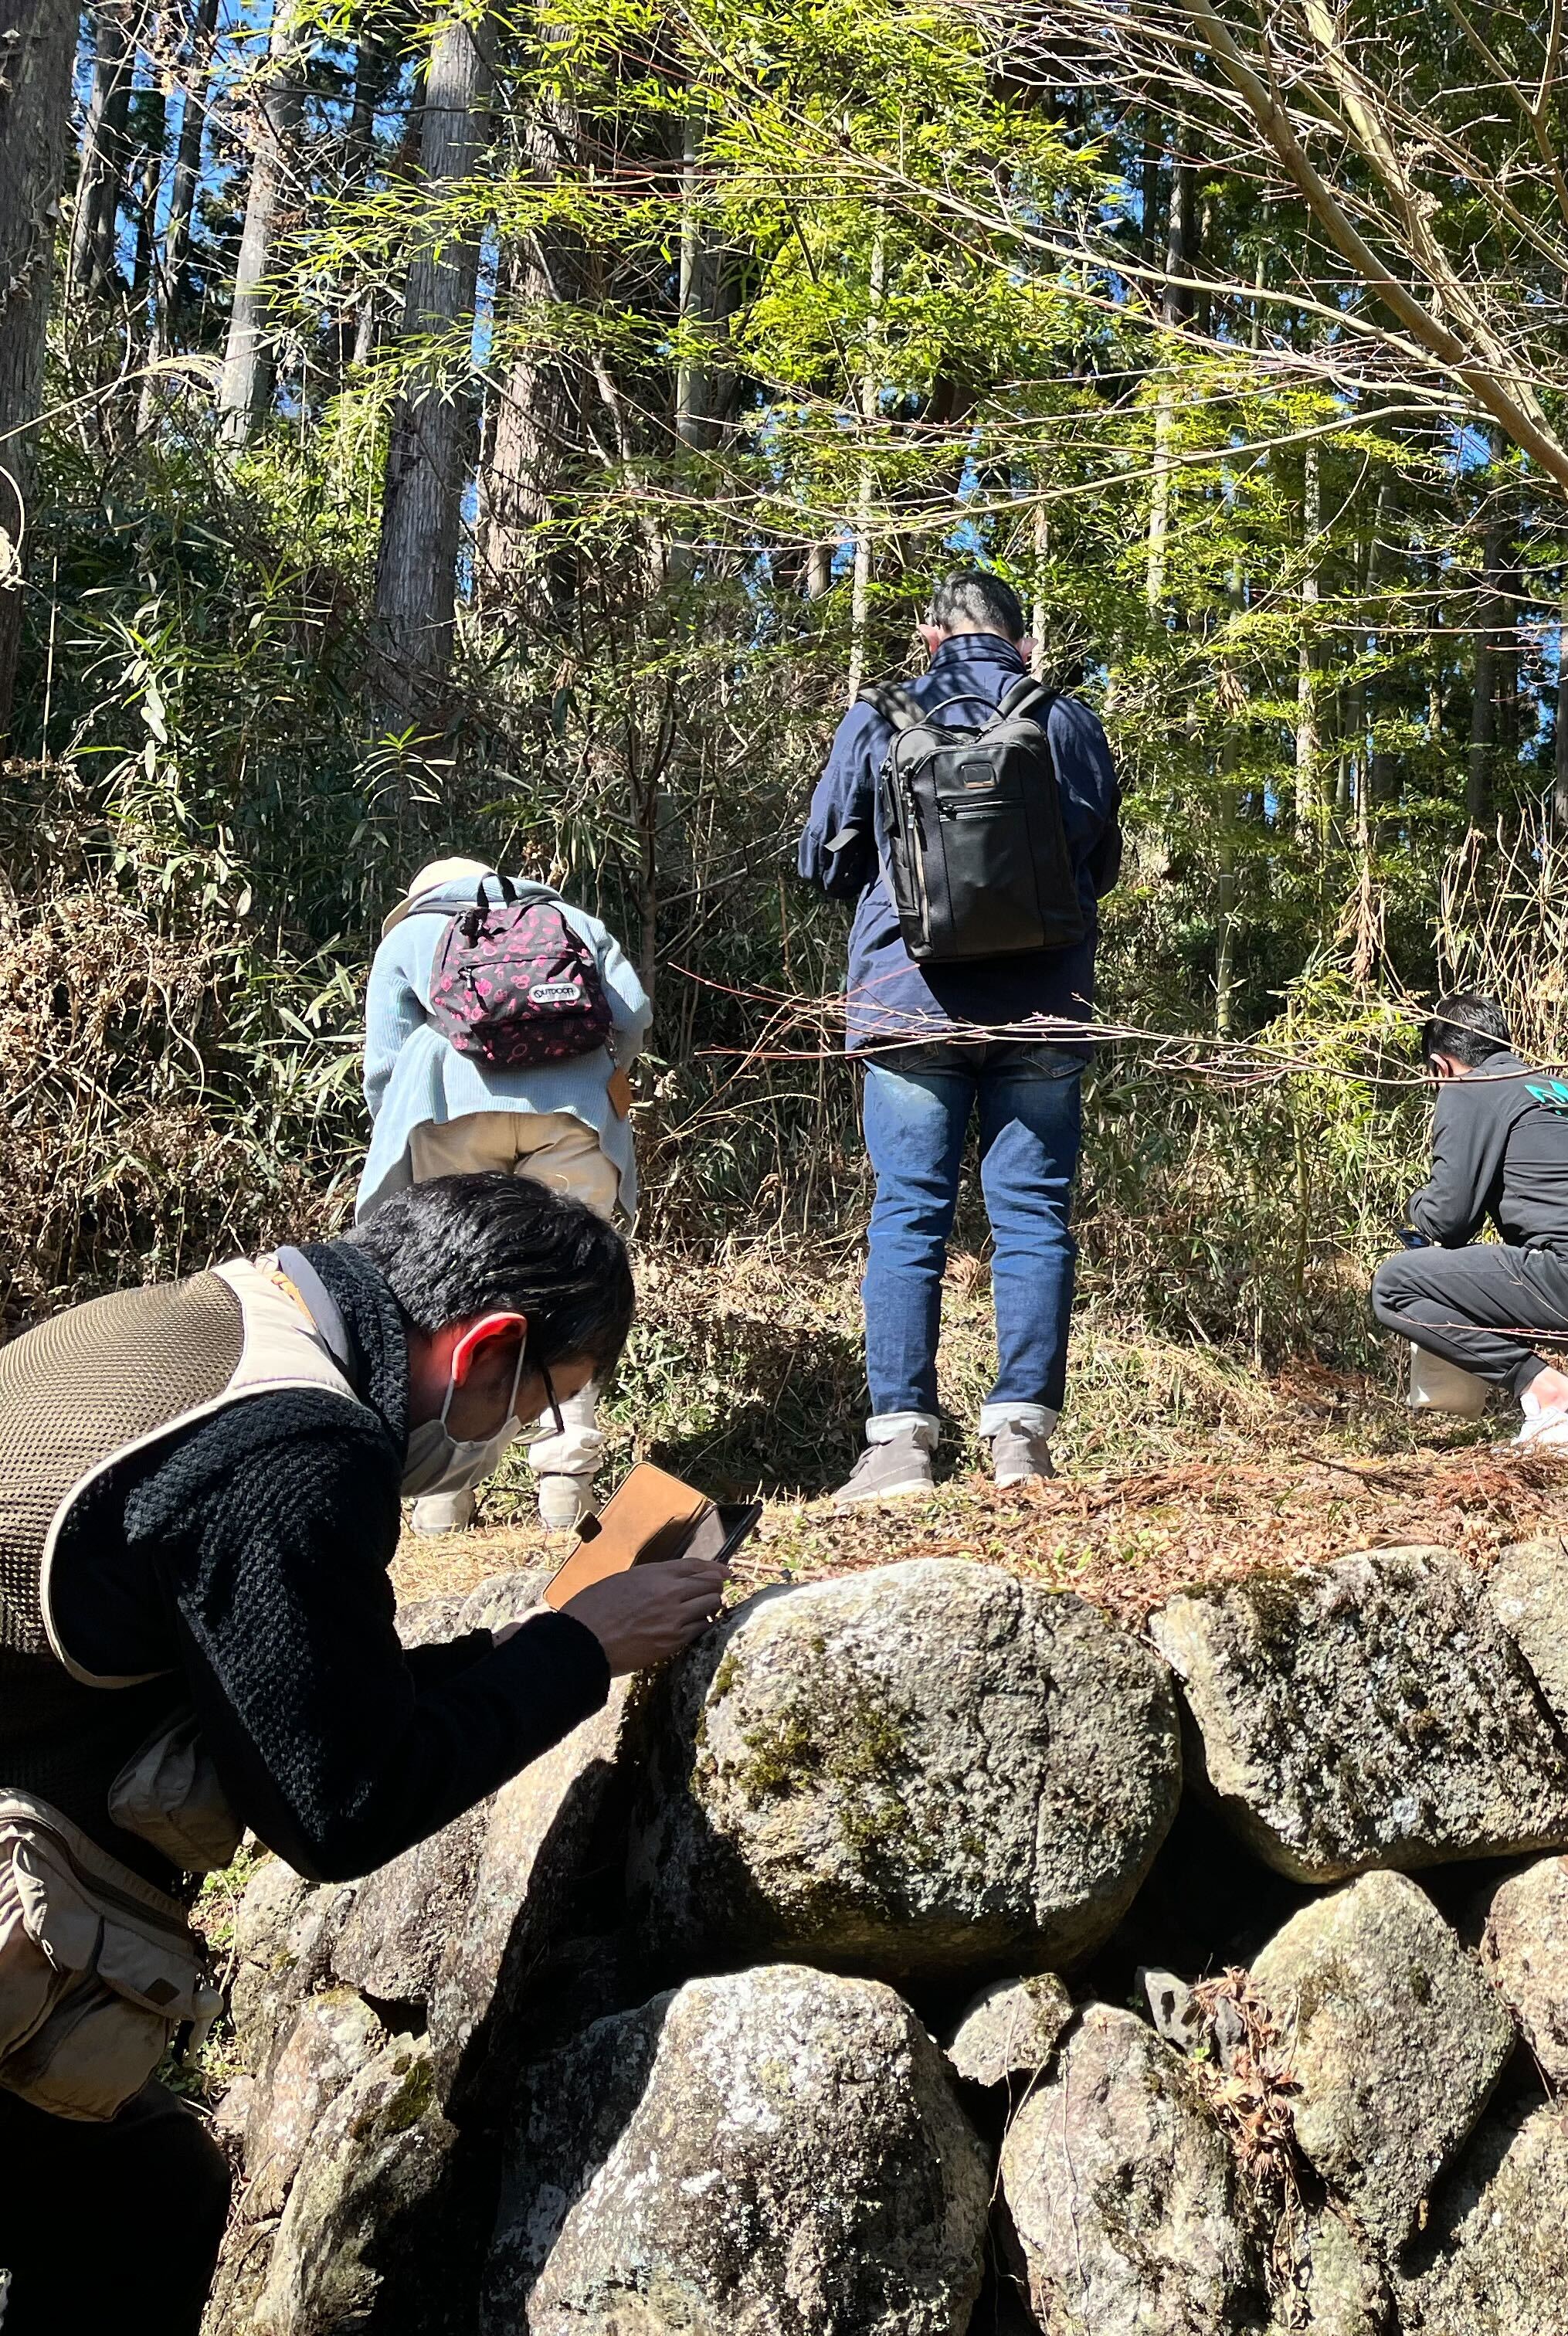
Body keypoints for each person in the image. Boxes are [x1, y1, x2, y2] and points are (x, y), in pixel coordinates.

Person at [0, 1173, 728, 2333]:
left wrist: (530, 1644)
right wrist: (579, 1654)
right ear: (490, 1345)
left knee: (140, 2188)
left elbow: (292, 1695)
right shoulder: (295, 1444)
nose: (526, 1438)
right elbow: (340, 1802)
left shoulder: (219, 1322)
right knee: (138, 2199)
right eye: (545, 1401)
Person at [798, 569, 1124, 1506]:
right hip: (1042, 1007)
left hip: (909, 1002)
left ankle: (900, 1445)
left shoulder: (881, 715)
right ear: (1024, 645)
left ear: (929, 637)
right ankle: (1021, 1437)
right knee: (1032, 1214)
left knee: (910, 1214)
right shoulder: (1063, 717)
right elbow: (1096, 862)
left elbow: (825, 857)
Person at [361, 855, 653, 1532]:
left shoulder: (409, 936)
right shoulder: (568, 919)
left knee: (456, 1293)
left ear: (419, 896)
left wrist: (400, 1124)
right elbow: (632, 1015)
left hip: (448, 1113)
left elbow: (385, 1062)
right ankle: (564, 1494)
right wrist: (591, 1073)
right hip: (575, 1116)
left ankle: (441, 1502)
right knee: (568, 1291)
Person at [1369, 993, 1568, 1460]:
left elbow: (1448, 1219)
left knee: (1395, 1286)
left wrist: (1415, 1207)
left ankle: (1560, 1403)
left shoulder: (1469, 1087)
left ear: (1441, 1065)